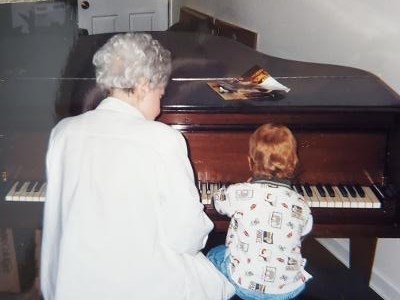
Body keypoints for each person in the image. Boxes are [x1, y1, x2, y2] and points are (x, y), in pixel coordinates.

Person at [41, 33, 234, 300]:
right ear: (144, 85)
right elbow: (188, 238)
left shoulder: (63, 132)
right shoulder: (162, 139)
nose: (160, 106)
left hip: (68, 286)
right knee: (224, 265)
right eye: (160, 93)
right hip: (139, 289)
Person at [207, 124, 313, 300]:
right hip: (289, 290)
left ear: (249, 161)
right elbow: (304, 230)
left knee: (213, 255)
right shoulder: (301, 203)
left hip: (244, 285)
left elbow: (217, 202)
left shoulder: (240, 193)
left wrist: (240, 188)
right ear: (293, 163)